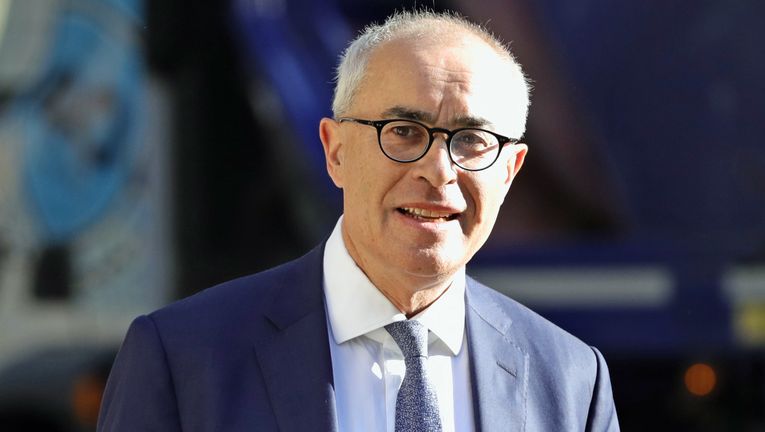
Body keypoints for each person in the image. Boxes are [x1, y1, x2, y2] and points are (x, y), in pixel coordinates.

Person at [97, 9, 619, 432]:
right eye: (404, 131)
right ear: (336, 151)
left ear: (509, 171)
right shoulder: (183, 360)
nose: (439, 171)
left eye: (471, 140)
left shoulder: (571, 380)